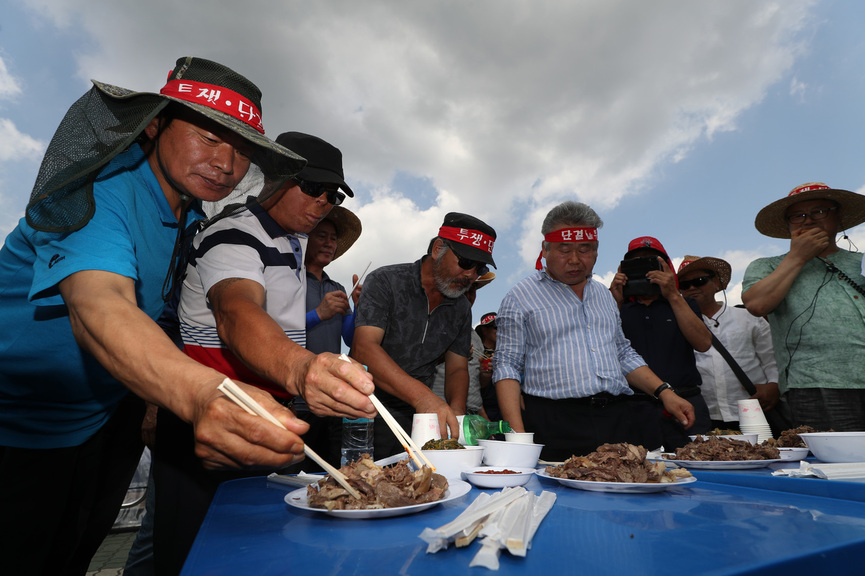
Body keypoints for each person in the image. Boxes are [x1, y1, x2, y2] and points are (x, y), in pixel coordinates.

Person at [0, 56, 370, 576]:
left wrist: (151, 403)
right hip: (21, 424)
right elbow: (100, 306)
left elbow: (164, 315)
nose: (227, 164)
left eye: (243, 151)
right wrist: (203, 395)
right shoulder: (96, 192)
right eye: (209, 137)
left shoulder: (190, 215)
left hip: (108, 420)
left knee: (74, 557)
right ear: (156, 123)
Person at [155, 131, 369, 574]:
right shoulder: (234, 232)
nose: (323, 203)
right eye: (312, 188)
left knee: (268, 552)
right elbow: (236, 312)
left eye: (332, 195)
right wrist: (303, 368)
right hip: (214, 411)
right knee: (197, 554)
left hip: (273, 413)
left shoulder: (291, 244)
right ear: (275, 178)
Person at [493, 201, 695, 461]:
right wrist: (518, 436)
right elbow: (506, 364)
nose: (575, 260)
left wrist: (665, 392)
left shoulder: (604, 295)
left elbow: (622, 353)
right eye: (564, 250)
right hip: (555, 422)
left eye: (585, 249)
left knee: (625, 489)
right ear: (545, 250)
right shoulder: (520, 296)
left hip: (618, 417)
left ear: (597, 251)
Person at [352, 213, 497, 456]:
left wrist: (458, 413)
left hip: (417, 419)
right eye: (465, 263)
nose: (472, 275)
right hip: (362, 409)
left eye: (479, 268)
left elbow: (457, 368)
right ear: (438, 248)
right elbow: (364, 348)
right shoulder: (386, 281)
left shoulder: (461, 307)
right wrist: (424, 397)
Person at [742, 182, 865, 431]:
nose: (808, 221)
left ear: (838, 215)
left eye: (820, 211)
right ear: (788, 225)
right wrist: (798, 257)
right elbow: (756, 304)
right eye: (798, 216)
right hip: (817, 383)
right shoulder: (766, 266)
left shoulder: (860, 261)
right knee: (837, 464)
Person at [610, 236, 712, 450]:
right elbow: (602, 347)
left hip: (685, 402)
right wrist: (614, 301)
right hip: (633, 408)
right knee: (635, 474)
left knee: (697, 471)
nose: (645, 269)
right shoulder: (617, 307)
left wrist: (674, 294)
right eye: (636, 262)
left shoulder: (684, 303)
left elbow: (703, 343)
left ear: (666, 266)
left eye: (651, 262)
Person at [677, 255, 780, 429]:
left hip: (753, 411)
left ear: (716, 283)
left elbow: (772, 359)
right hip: (701, 415)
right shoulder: (677, 326)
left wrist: (774, 386)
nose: (692, 287)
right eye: (684, 285)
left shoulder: (749, 318)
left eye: (700, 281)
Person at [300, 204, 363, 469]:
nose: (329, 244)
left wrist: (359, 309)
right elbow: (271, 334)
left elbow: (350, 339)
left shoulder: (337, 289)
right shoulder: (290, 280)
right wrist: (318, 313)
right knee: (292, 473)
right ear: (305, 240)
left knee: (327, 472)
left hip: (330, 399)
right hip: (295, 398)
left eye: (334, 239)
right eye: (322, 236)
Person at [431, 271, 496, 418]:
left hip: (472, 415)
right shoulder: (435, 326)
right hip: (439, 412)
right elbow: (417, 367)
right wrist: (448, 355)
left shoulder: (475, 337)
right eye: (464, 291)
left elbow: (475, 386)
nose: (469, 296)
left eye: (472, 291)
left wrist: (485, 374)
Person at [476, 311, 503, 421]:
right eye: (496, 327)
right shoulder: (475, 353)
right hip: (483, 408)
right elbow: (471, 387)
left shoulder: (506, 353)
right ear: (484, 330)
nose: (500, 330)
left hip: (504, 407)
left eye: (502, 327)